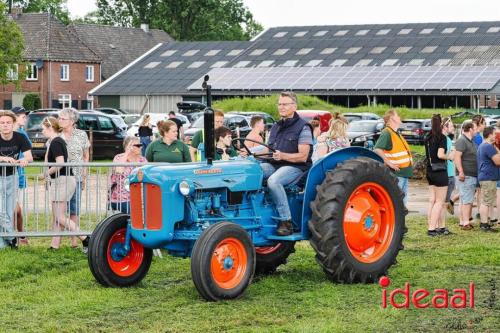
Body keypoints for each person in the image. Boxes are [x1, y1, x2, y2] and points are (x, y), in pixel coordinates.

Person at [261, 91, 313, 236]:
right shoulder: (276, 126)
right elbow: (267, 148)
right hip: (275, 164)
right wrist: (248, 153)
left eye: (285, 104)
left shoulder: (303, 127)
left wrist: (283, 155)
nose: (281, 107)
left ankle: (286, 221)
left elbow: (303, 156)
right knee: (255, 171)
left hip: (296, 167)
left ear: (294, 106)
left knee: (274, 181)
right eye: (279, 104)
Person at [41, 117, 89, 250]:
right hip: (63, 180)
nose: (42, 131)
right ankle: (54, 246)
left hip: (63, 180)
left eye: (43, 129)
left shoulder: (56, 142)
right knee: (58, 216)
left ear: (50, 128)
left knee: (60, 216)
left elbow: (60, 162)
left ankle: (86, 238)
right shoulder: (58, 141)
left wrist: (46, 173)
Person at [0, 110, 32, 249]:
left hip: (12, 177)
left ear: (13, 124)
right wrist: (3, 158)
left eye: (8, 122)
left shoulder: (20, 137)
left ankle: (5, 243)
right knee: (0, 211)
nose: (5, 125)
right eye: (2, 123)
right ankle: (12, 238)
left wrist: (24, 160)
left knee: (8, 211)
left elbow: (29, 157)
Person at [58, 108, 90, 248]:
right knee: (59, 211)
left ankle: (74, 241)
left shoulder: (81, 135)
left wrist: (84, 175)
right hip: (60, 178)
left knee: (74, 209)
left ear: (72, 121)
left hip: (76, 177)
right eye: (59, 118)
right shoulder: (57, 135)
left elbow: (86, 156)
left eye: (62, 118)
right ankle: (56, 242)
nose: (59, 120)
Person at [374, 109, 413, 207]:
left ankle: (401, 222)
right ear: (392, 119)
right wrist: (388, 162)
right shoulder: (387, 133)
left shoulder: (395, 133)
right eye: (397, 116)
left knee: (402, 204)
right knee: (396, 203)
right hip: (397, 174)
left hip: (403, 174)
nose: (399, 117)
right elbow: (377, 149)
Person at [424, 115, 452, 236]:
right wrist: (449, 156)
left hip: (430, 171)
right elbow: (440, 155)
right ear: (440, 124)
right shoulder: (442, 138)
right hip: (440, 171)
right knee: (440, 202)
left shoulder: (427, 137)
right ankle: (431, 229)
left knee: (433, 200)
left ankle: (434, 225)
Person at [109, 136, 147, 214]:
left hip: (138, 197)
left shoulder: (142, 160)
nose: (141, 147)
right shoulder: (119, 158)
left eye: (141, 145)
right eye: (138, 145)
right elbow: (119, 171)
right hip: (121, 199)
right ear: (129, 147)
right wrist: (127, 152)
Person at [454, 121, 478, 230]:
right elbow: (457, 157)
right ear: (470, 129)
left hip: (472, 174)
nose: (476, 130)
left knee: (466, 199)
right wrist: (461, 172)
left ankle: (464, 221)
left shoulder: (471, 141)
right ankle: (465, 223)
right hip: (466, 174)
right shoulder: (462, 140)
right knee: (467, 200)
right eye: (475, 128)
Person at [12, 106, 31, 245]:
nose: (25, 118)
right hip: (8, 176)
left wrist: (24, 159)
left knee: (17, 209)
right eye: (22, 116)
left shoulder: (22, 133)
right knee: (14, 208)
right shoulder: (8, 132)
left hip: (19, 175)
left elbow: (28, 156)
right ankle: (17, 236)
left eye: (25, 116)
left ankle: (20, 235)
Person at [477, 126, 500, 232]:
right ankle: (484, 224)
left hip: (486, 176)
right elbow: (498, 162)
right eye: (494, 134)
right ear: (490, 134)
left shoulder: (483, 146)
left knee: (487, 201)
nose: (496, 136)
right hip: (488, 177)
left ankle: (485, 223)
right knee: (486, 202)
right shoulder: (488, 147)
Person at [441, 117, 459, 216]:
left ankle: (440, 226)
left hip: (450, 173)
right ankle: (441, 227)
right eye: (451, 126)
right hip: (447, 174)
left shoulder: (447, 139)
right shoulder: (445, 140)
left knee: (444, 201)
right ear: (445, 127)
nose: (453, 128)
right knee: (444, 202)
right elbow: (450, 157)